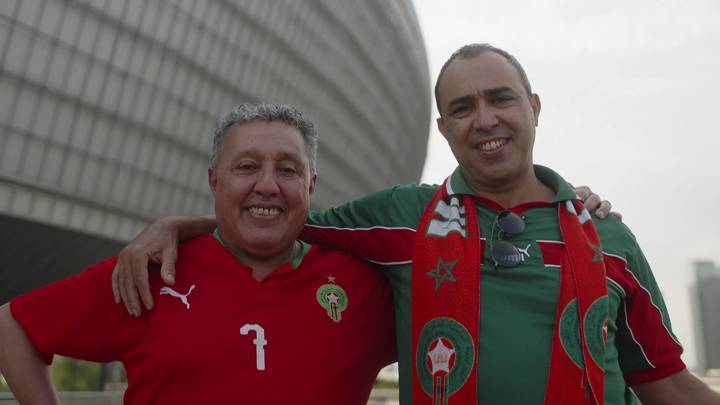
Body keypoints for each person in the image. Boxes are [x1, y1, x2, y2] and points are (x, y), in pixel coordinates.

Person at [112, 45, 720, 404]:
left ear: (533, 108)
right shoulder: (403, 217)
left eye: (500, 98)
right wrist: (177, 225)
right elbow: (276, 218)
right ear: (444, 129)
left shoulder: (605, 234)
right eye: (462, 107)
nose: (485, 119)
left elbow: (664, 385)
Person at [0, 103, 396, 404]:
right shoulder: (151, 270)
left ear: (310, 185)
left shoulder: (361, 285)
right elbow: (11, 326)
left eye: (288, 170)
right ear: (214, 179)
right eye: (247, 166)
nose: (268, 185)